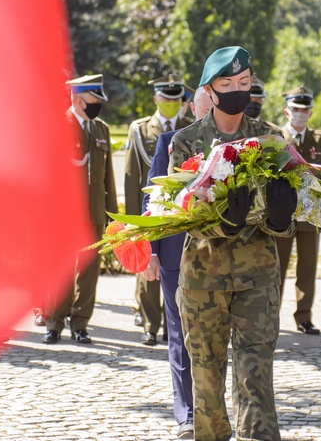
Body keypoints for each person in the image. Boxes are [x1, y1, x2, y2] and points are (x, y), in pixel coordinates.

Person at [169, 46, 296, 441]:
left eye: (245, 82)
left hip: (258, 276)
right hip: (203, 279)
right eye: (228, 83)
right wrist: (224, 224)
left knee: (255, 372)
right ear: (210, 89)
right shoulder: (187, 142)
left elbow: (291, 209)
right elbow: (180, 213)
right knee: (206, 377)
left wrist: (281, 219)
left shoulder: (271, 140)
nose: (239, 90)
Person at [142, 86, 212, 440]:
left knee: (214, 336)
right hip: (174, 254)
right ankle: (186, 414)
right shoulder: (169, 141)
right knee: (179, 334)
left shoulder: (236, 148)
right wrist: (151, 251)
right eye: (202, 109)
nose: (207, 116)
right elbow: (154, 196)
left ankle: (213, 409)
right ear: (193, 109)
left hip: (219, 256)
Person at [43, 74, 117, 345]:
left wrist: (112, 215)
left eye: (98, 99)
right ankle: (54, 322)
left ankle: (81, 323)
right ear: (76, 98)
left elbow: (107, 176)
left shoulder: (101, 130)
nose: (97, 104)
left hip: (94, 212)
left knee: (88, 273)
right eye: (92, 99)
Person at [126, 74, 193, 345]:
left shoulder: (190, 128)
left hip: (179, 214)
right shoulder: (141, 129)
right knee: (149, 272)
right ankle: (150, 324)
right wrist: (136, 223)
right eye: (165, 98)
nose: (170, 103)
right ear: (156, 99)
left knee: (175, 274)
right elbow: (134, 178)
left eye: (175, 99)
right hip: (151, 209)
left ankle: (169, 326)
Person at [277, 86, 321, 334]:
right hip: (281, 212)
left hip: (310, 213)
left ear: (311, 113)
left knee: (307, 268)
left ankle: (304, 316)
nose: (300, 113)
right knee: (277, 267)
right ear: (286, 111)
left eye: (305, 109)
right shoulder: (275, 137)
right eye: (296, 109)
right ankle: (271, 315)